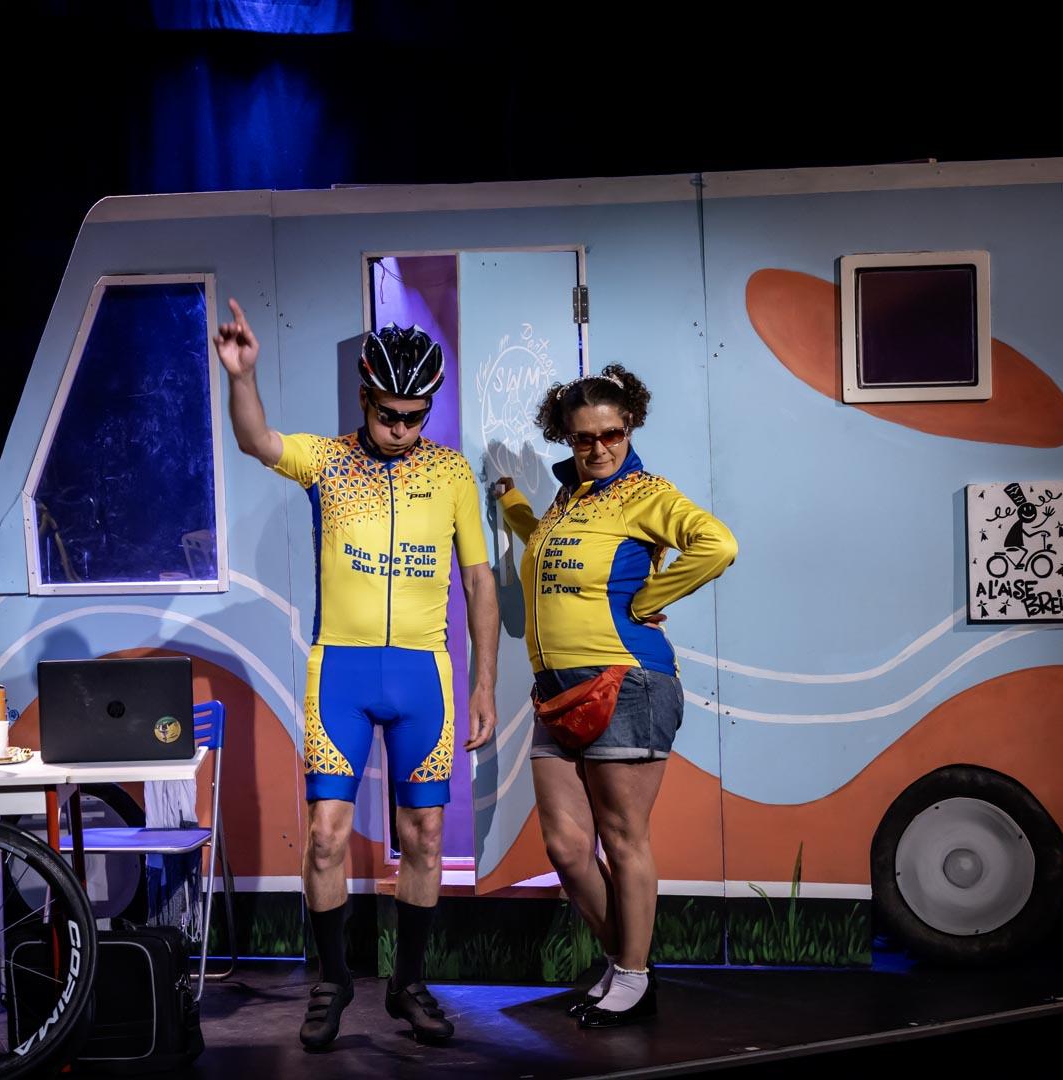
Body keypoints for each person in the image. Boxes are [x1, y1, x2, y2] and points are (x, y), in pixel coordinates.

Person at [216, 300, 499, 1049]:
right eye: (388, 415)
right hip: (339, 670)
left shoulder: (451, 471)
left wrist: (483, 685)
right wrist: (242, 378)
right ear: (365, 399)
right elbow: (256, 440)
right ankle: (333, 980)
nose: (401, 429)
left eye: (415, 416)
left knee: (426, 835)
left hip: (423, 675)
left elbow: (478, 581)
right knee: (324, 836)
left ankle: (409, 983)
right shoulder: (328, 460)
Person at [492, 364, 737, 1027]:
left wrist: (649, 598)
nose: (599, 448)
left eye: (612, 434)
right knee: (568, 849)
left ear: (630, 427)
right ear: (566, 437)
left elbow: (718, 545)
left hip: (625, 682)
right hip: (555, 690)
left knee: (623, 840)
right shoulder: (568, 500)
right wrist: (513, 506)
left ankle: (630, 975)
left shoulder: (644, 494)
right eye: (584, 438)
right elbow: (548, 550)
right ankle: (628, 966)